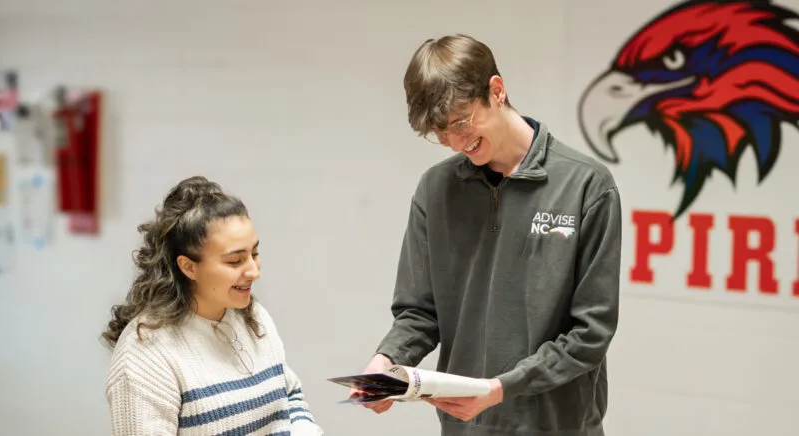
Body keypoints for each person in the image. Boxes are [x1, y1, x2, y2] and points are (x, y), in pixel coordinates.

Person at [354, 34, 622, 435]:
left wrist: (502, 389)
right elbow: (419, 312)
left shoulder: (586, 186)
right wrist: (386, 360)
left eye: (460, 123)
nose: (454, 142)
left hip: (557, 426)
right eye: (439, 132)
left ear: (496, 91)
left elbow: (591, 332)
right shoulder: (436, 189)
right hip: (466, 426)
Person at [101, 176, 323, 435]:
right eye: (235, 261)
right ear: (189, 267)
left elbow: (290, 394)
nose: (253, 271)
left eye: (254, 254)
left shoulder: (254, 317)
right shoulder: (146, 354)